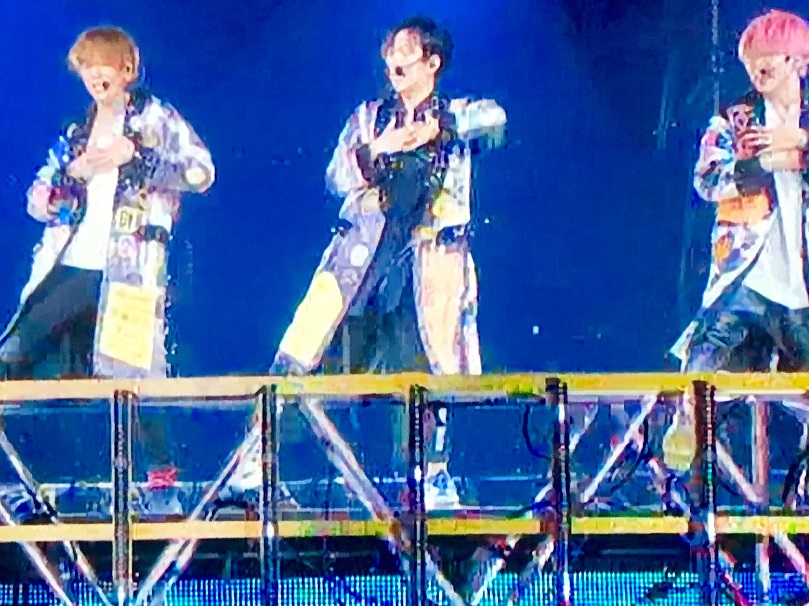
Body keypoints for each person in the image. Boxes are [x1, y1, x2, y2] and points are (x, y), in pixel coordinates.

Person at [225, 15, 505, 509]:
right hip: (358, 264)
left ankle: (430, 477)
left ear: (432, 62)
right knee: (307, 358)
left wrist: (438, 128)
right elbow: (335, 175)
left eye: (406, 51)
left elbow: (496, 119)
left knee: (426, 370)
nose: (394, 61)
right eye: (390, 51)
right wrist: (378, 148)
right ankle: (253, 465)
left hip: (427, 265)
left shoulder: (459, 114)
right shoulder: (369, 118)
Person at [0, 26, 214, 515]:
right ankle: (20, 484)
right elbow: (41, 196)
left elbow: (202, 171)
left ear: (126, 70)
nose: (96, 75)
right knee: (13, 354)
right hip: (73, 263)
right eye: (87, 67)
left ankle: (162, 485)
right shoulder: (77, 132)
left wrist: (137, 156)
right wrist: (53, 190)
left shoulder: (156, 117)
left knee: (135, 375)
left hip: (130, 269)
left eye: (105, 66)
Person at [662, 10, 809, 470]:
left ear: (796, 61)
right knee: (701, 371)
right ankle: (680, 461)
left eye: (769, 59)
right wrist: (764, 163)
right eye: (752, 62)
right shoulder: (735, 119)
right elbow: (708, 178)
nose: (758, 71)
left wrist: (801, 142)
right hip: (746, 279)